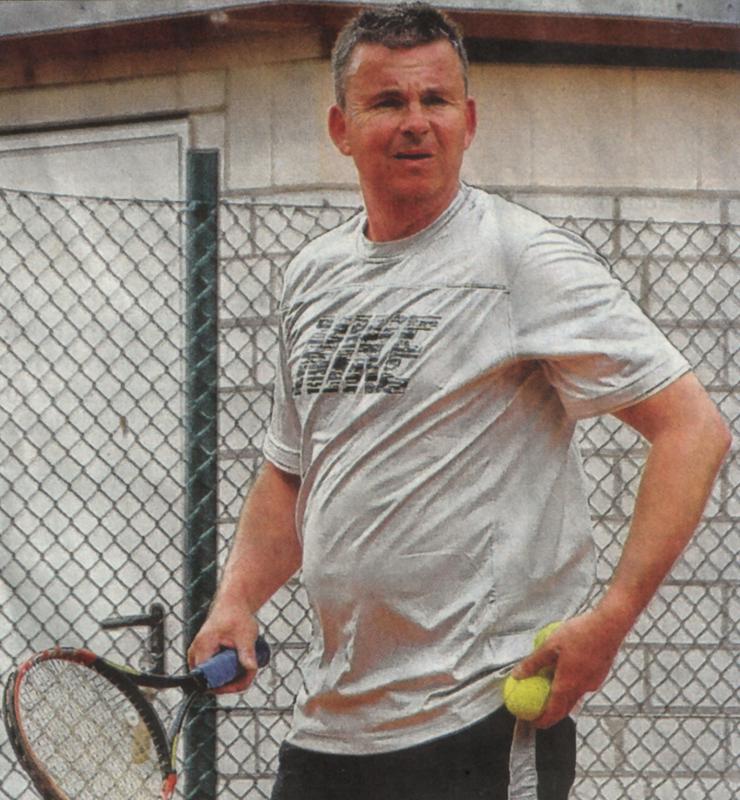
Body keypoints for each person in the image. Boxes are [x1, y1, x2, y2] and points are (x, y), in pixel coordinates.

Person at [188, 4, 731, 798]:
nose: (416, 122)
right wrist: (236, 598)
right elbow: (291, 474)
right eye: (387, 101)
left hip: (477, 718)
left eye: (435, 100)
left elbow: (694, 429)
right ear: (341, 129)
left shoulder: (519, 257)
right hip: (331, 729)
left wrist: (611, 619)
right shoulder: (313, 277)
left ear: (468, 121)